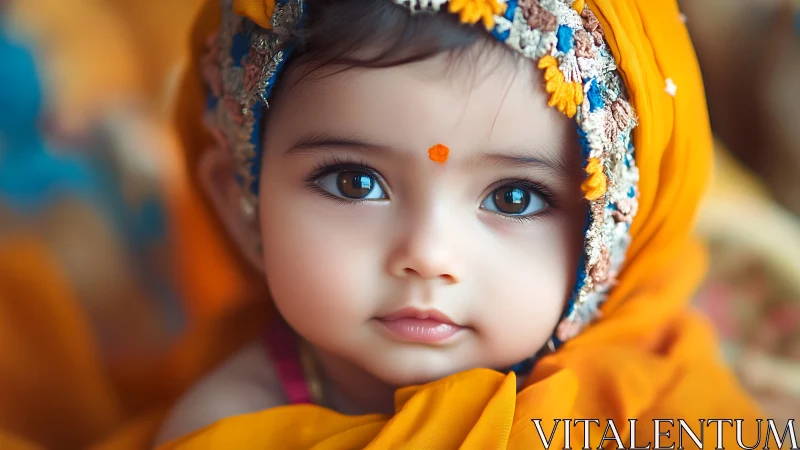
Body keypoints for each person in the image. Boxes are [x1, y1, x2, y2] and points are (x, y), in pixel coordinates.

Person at [152, 0, 764, 447]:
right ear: (241, 203)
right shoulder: (226, 430)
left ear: (607, 244)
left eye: (514, 198)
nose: (428, 254)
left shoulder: (650, 412)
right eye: (354, 182)